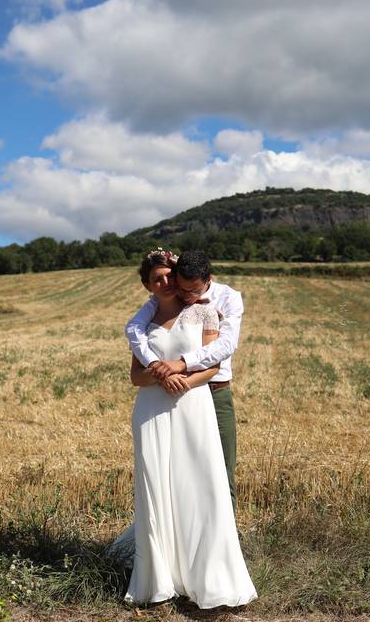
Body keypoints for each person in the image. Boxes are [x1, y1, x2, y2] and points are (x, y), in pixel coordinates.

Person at [120, 248, 256, 608]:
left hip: (199, 400)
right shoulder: (144, 319)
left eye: (171, 277)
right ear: (148, 285)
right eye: (158, 279)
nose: (168, 284)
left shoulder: (211, 307)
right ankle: (162, 575)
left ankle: (211, 570)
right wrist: (160, 373)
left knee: (206, 484)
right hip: (154, 407)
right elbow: (136, 374)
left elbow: (220, 355)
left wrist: (181, 372)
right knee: (158, 486)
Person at [125, 250, 243, 510]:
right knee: (179, 473)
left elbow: (225, 347)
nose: (187, 296)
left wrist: (180, 369)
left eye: (193, 291)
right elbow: (136, 329)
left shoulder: (226, 299)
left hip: (213, 391)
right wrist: (161, 372)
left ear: (208, 279)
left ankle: (223, 540)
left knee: (220, 470)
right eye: (182, 288)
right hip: (170, 398)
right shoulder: (160, 304)